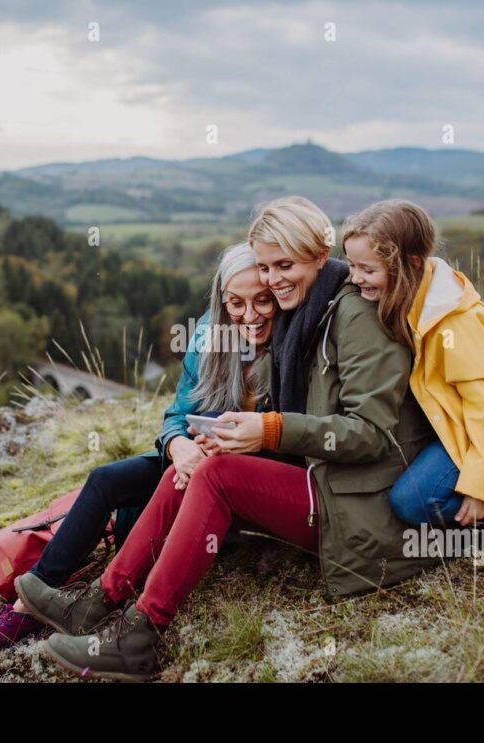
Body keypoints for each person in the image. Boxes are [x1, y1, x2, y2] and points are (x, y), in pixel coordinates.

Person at [28, 196, 436, 681]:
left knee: (218, 475)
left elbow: (370, 434)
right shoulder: (305, 312)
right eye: (265, 267)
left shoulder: (355, 316)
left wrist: (269, 430)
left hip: (356, 501)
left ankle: (141, 633)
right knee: (202, 464)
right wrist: (220, 436)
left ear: (319, 255)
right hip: (321, 478)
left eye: (284, 265)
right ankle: (99, 601)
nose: (273, 279)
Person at [0, 242, 275, 662]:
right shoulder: (210, 336)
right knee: (106, 479)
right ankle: (29, 606)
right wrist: (179, 446)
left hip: (240, 476)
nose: (250, 315)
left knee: (184, 480)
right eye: (236, 303)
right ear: (221, 301)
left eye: (262, 301)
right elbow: (176, 415)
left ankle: (100, 608)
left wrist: (212, 456)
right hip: (194, 460)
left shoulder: (290, 344)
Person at [341, 199, 484, 545]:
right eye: (351, 266)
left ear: (412, 264)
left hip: (481, 440)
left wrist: (482, 489)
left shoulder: (455, 325)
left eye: (367, 270)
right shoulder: (408, 299)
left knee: (411, 502)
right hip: (448, 429)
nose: (355, 278)